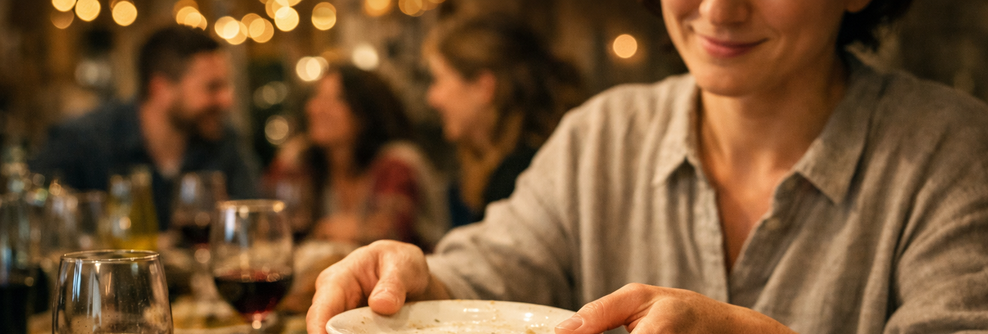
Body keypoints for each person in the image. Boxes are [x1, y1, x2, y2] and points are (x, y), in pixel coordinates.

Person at [306, 0, 988, 334]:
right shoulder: (601, 134)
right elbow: (492, 272)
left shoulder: (949, 150)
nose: (718, 11)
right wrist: (413, 281)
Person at [31, 25, 258, 230]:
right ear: (161, 89)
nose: (228, 100)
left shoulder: (223, 140)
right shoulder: (82, 141)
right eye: (212, 87)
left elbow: (254, 220)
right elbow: (35, 216)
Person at [424, 13, 584, 228]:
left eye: (439, 79)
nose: (432, 98)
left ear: (484, 87)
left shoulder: (519, 177)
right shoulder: (523, 161)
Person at [267, 65, 447, 249]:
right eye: (317, 97)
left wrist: (347, 229)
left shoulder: (398, 161)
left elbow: (393, 232)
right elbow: (272, 222)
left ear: (364, 113)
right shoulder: (304, 160)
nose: (316, 108)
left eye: (334, 99)